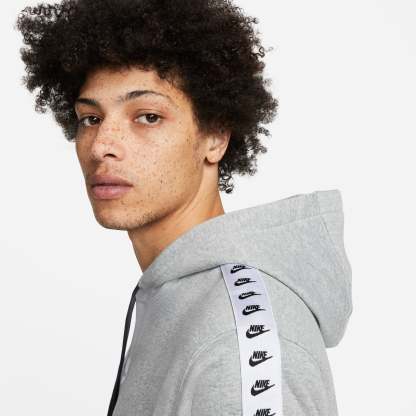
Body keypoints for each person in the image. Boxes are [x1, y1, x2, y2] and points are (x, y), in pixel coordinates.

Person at [15, 1, 353, 415]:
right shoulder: (180, 296)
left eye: (148, 117)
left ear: (215, 137)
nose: (102, 145)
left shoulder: (233, 342)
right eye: (90, 118)